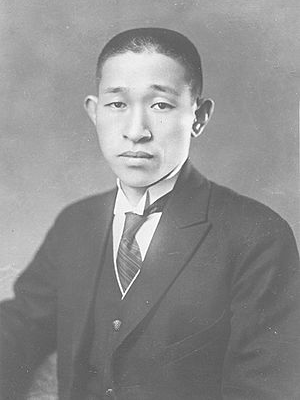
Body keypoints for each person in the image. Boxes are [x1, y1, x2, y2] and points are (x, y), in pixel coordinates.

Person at [1, 28, 299, 400]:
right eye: (117, 105)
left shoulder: (257, 236)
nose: (136, 131)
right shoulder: (75, 224)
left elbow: (263, 389)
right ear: (94, 113)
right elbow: (20, 327)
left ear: (198, 116)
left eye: (160, 105)